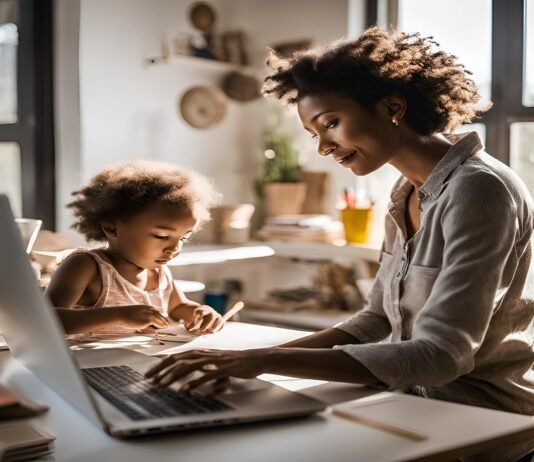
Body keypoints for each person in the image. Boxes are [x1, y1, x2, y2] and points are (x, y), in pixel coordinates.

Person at [146, 28, 534, 461]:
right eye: (315, 134)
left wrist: (262, 362)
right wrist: (250, 357)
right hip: (414, 406)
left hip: (483, 427)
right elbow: (372, 321)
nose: (324, 148)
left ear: (392, 108)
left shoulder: (480, 190)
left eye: (330, 123)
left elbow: (443, 356)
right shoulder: (405, 193)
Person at [46, 161, 225, 337]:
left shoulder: (159, 273)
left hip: (136, 362)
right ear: (111, 227)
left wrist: (202, 312)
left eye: (184, 238)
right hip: (87, 364)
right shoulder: (86, 266)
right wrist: (120, 316)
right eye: (162, 236)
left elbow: (178, 307)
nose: (174, 248)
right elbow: (47, 319)